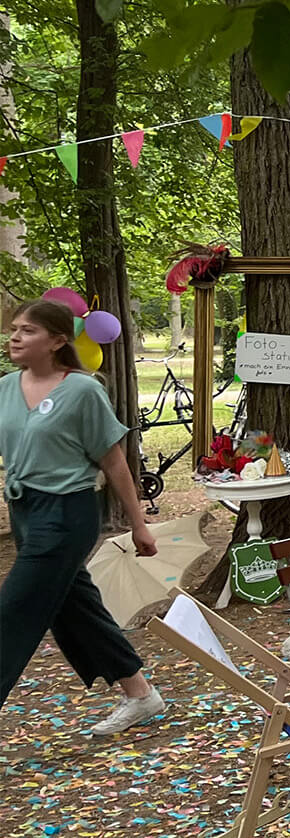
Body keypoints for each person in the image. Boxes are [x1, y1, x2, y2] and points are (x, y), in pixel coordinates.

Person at [1, 299, 165, 736]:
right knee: (74, 608)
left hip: (67, 513)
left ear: (57, 341)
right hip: (24, 511)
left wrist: (139, 523)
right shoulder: (6, 387)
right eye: (14, 329)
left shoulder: (82, 390)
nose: (15, 337)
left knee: (13, 611)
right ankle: (141, 694)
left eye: (28, 330)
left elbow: (114, 462)